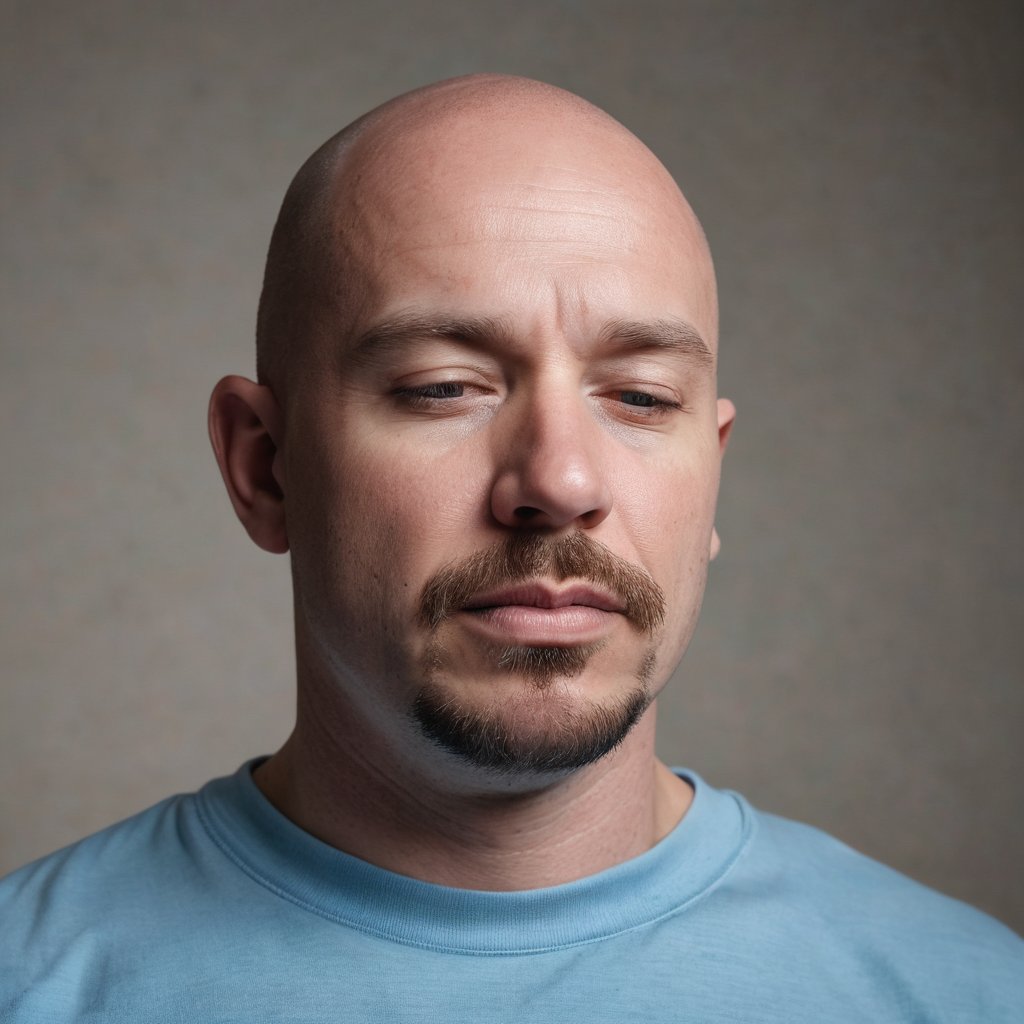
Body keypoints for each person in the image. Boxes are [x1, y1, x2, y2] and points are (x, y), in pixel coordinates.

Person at [1, 74, 1020, 1021]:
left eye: (639, 396)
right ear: (265, 466)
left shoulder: (964, 993)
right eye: (444, 386)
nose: (561, 482)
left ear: (709, 471)